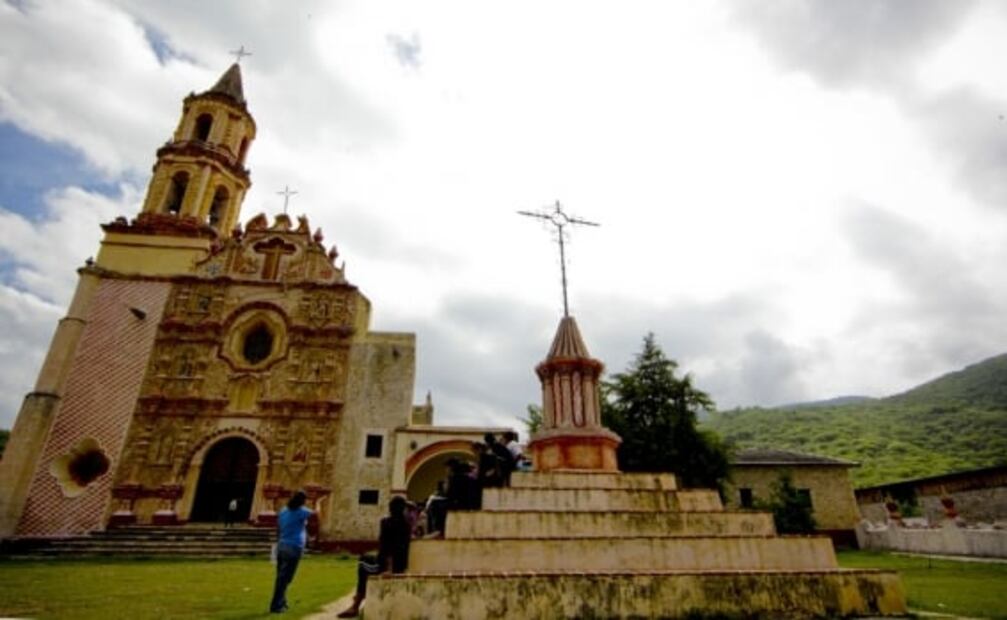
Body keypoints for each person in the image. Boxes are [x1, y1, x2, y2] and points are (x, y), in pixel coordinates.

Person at [337, 496, 412, 618]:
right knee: (366, 559)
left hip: (385, 564)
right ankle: (358, 599)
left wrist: (388, 569)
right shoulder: (406, 525)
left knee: (362, 564)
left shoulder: (386, 522)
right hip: (401, 563)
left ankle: (356, 604)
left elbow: (388, 547)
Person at [270, 490, 312, 614]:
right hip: (293, 547)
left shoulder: (284, 511)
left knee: (282, 577)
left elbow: (279, 528)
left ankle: (282, 601)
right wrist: (319, 503)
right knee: (285, 578)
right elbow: (316, 514)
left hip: (282, 545)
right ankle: (276, 605)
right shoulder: (301, 511)